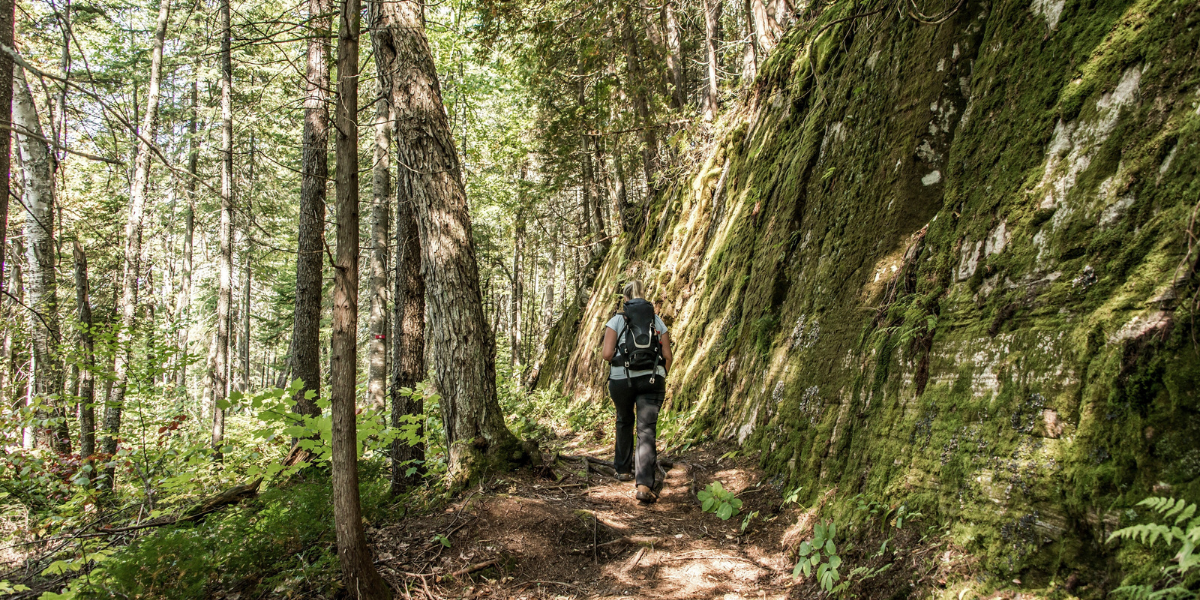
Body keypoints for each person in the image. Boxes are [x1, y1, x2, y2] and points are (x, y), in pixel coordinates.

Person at [601, 279, 674, 503]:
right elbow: (667, 356)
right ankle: (644, 485)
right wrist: (659, 375)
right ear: (644, 295)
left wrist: (624, 363)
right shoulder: (656, 320)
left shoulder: (616, 320)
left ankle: (622, 469)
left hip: (622, 381)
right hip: (652, 380)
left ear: (625, 299)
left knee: (624, 420)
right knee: (646, 430)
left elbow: (606, 354)